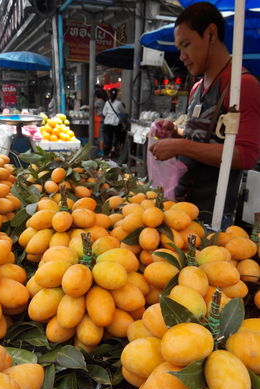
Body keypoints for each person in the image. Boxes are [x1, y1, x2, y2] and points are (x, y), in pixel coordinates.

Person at [149, 1, 260, 226]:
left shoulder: (241, 86)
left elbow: (246, 155)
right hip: (181, 211)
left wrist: (181, 146)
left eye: (186, 45)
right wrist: (177, 136)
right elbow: (203, 142)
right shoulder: (196, 89)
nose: (181, 56)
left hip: (213, 219)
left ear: (210, 34)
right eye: (179, 48)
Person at [102, 88, 126, 158]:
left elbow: (104, 113)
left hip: (107, 123)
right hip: (116, 124)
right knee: (117, 137)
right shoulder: (119, 103)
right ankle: (113, 150)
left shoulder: (107, 103)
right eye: (119, 94)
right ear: (116, 95)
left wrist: (109, 114)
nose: (120, 95)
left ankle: (106, 154)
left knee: (107, 139)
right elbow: (123, 113)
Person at [94, 89, 106, 156]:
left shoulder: (99, 101)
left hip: (99, 120)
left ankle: (101, 151)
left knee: (100, 137)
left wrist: (84, 107)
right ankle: (100, 150)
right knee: (100, 136)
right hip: (100, 120)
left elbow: (92, 107)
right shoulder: (102, 101)